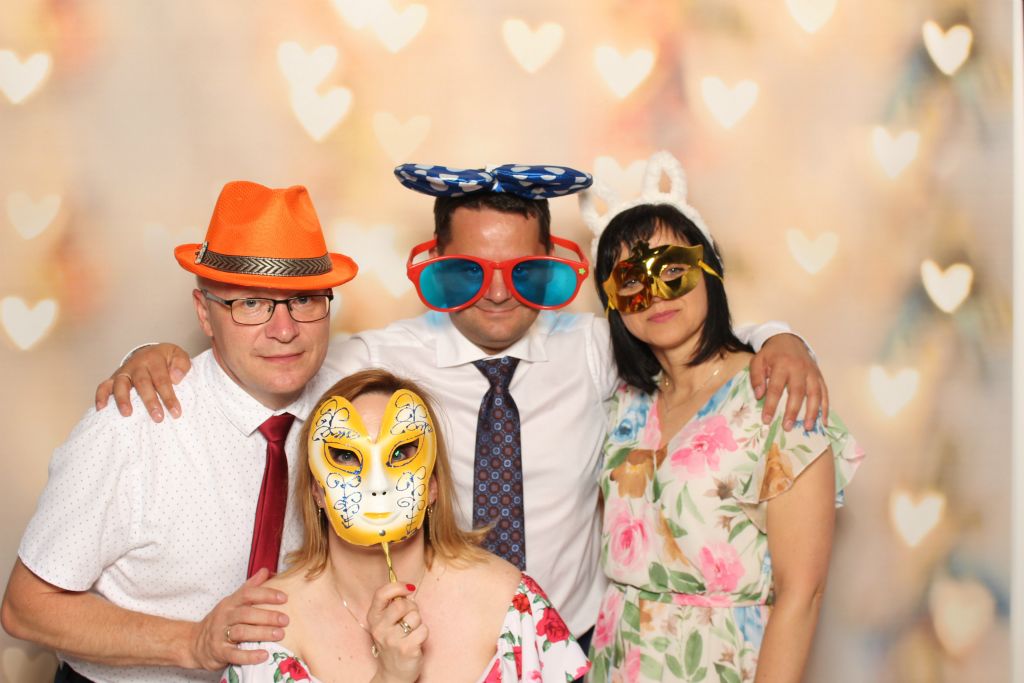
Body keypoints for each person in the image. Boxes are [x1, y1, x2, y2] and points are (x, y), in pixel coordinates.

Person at [94, 162, 829, 650]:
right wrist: (160, 352)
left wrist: (780, 339)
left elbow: (683, 328)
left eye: (525, 271)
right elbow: (268, 353)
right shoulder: (374, 359)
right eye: (470, 272)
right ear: (438, 264)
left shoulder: (594, 348)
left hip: (576, 645)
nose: (500, 293)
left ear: (552, 264)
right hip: (436, 648)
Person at [1, 181, 358, 682]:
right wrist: (191, 642)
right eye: (251, 304)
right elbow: (26, 607)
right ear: (204, 314)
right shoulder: (132, 425)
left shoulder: (354, 414)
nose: (284, 329)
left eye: (304, 300)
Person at [583, 152, 863, 682]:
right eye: (631, 281)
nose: (655, 294)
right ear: (614, 303)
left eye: (673, 269)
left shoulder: (777, 394)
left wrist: (782, 339)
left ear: (709, 269)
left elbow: (802, 594)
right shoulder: (624, 402)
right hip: (617, 661)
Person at [222, 368, 590, 682]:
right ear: (317, 490)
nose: (377, 484)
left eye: (400, 453)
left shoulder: (510, 605)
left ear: (433, 485)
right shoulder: (271, 628)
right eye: (346, 456)